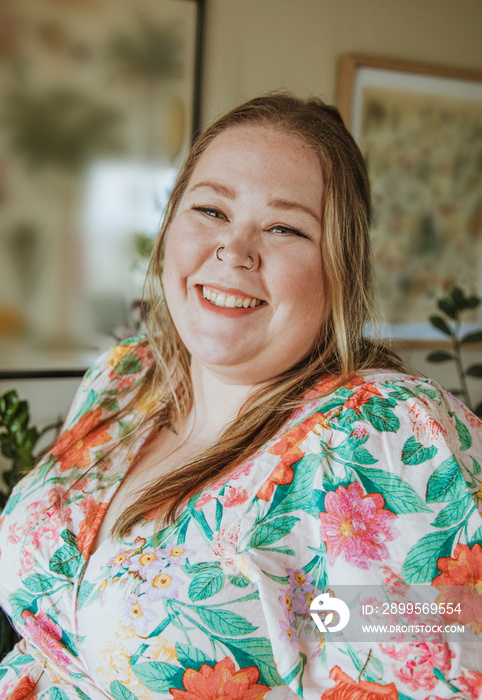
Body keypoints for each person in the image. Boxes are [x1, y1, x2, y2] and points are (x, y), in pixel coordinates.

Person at [0, 94, 481, 700]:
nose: (233, 251)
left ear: (341, 270)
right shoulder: (122, 382)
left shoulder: (379, 437)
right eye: (210, 210)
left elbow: (435, 673)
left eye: (284, 227)